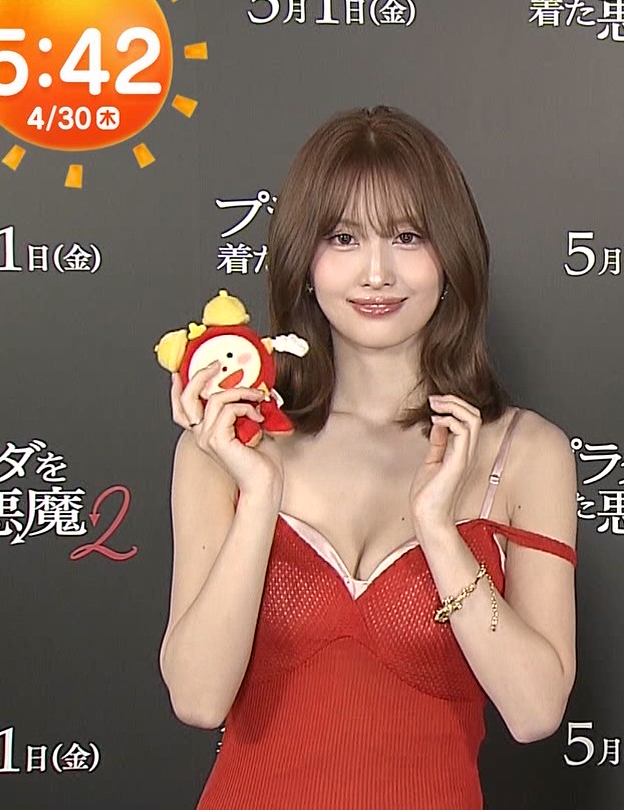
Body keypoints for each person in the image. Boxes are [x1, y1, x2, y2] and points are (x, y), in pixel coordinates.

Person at [159, 106, 578, 810]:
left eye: (407, 237)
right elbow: (198, 699)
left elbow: (535, 711)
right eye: (344, 238)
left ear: (451, 257)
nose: (377, 272)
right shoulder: (223, 447)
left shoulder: (525, 451)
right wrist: (258, 497)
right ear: (305, 260)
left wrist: (439, 531)